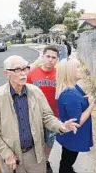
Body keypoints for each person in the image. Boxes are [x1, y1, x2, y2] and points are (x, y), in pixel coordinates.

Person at [0, 55, 80, 173]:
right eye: (18, 70)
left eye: (25, 69)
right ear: (6, 73)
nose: (23, 73)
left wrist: (61, 126)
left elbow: (47, 117)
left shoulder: (36, 92)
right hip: (11, 159)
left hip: (35, 156)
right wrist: (6, 154)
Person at [55, 58, 95, 173]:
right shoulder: (70, 94)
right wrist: (91, 105)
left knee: (67, 160)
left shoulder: (73, 88)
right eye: (77, 67)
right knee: (67, 162)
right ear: (69, 72)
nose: (80, 69)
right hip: (72, 137)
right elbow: (77, 122)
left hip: (70, 137)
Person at [27, 45, 59, 173]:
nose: (50, 60)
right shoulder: (32, 74)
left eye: (53, 57)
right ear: (43, 56)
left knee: (49, 142)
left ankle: (45, 162)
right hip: (34, 116)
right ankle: (35, 164)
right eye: (48, 56)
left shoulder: (59, 74)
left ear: (57, 59)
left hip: (52, 116)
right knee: (35, 143)